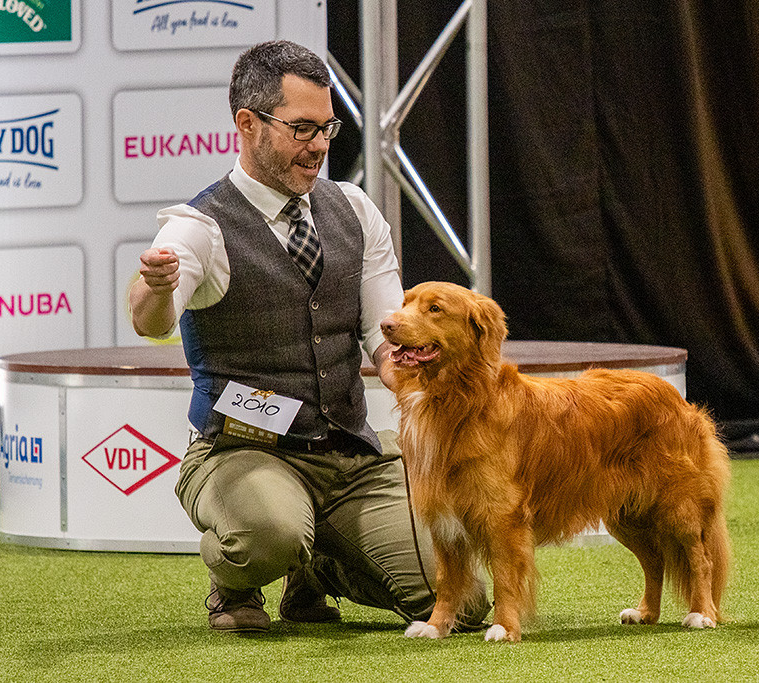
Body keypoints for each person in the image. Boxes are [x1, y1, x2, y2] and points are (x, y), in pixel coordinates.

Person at [129, 40, 489, 632]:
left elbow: (385, 333)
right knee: (268, 535)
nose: (320, 145)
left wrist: (427, 387)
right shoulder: (199, 227)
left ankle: (320, 565)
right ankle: (233, 580)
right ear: (247, 124)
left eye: (327, 127)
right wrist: (155, 286)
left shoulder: (354, 209)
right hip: (240, 450)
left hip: (348, 454)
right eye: (302, 129)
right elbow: (152, 320)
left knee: (465, 602)